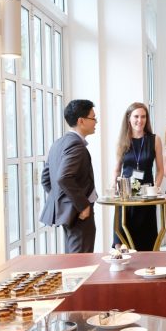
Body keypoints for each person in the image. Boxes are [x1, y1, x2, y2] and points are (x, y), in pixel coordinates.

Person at [40, 99, 99, 253]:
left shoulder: (59, 143)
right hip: (79, 214)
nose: (96, 122)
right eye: (93, 118)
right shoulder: (76, 145)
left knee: (74, 257)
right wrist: (82, 205)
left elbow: (46, 179)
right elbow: (63, 178)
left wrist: (64, 202)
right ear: (81, 121)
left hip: (71, 213)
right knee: (81, 260)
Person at [111, 102, 164, 251]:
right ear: (129, 118)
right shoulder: (122, 140)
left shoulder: (154, 140)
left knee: (146, 240)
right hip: (126, 195)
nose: (140, 120)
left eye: (143, 117)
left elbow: (160, 170)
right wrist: (113, 188)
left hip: (146, 197)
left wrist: (155, 188)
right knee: (123, 241)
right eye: (136, 116)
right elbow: (117, 170)